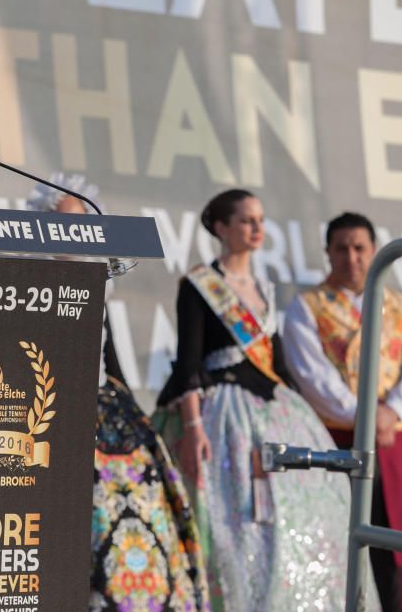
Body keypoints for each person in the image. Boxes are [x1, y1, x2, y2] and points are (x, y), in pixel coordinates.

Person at [155, 189, 363, 611]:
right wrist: (193, 428)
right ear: (221, 228)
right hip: (222, 416)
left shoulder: (264, 289)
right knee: (231, 522)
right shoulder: (199, 285)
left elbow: (277, 361)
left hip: (275, 410)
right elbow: (188, 363)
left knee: (298, 514)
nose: (257, 229)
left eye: (260, 220)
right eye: (247, 221)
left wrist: (298, 408)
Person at [27, 174, 209, 612]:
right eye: (67, 223)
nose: (77, 232)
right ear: (44, 226)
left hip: (106, 406)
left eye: (84, 223)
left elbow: (107, 350)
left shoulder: (97, 278)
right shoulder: (27, 281)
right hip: (53, 408)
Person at [283, 212, 402, 612]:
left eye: (360, 248)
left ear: (374, 249)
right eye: (342, 249)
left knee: (395, 544)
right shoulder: (306, 307)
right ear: (328, 253)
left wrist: (391, 412)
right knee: (340, 541)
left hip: (391, 440)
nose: (352, 257)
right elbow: (312, 376)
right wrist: (366, 416)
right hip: (336, 440)